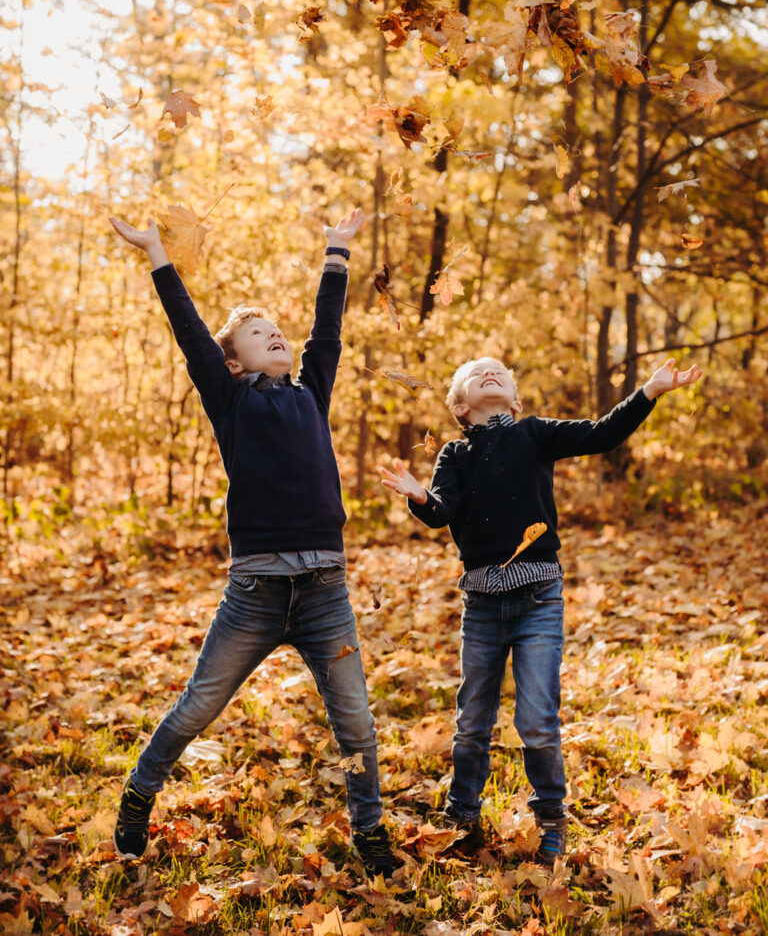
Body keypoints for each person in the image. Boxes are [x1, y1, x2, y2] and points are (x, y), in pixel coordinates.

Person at [108, 209, 396, 877]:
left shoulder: (311, 392)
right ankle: (140, 791)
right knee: (198, 705)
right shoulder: (230, 399)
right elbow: (190, 332)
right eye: (258, 333)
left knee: (356, 720)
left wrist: (337, 250)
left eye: (276, 330)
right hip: (256, 594)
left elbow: (328, 332)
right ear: (234, 363)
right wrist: (157, 255)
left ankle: (370, 828)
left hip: (325, 591)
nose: (276, 335)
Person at [380, 355, 702, 865]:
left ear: (515, 399)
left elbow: (602, 434)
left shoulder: (535, 434)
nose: (489, 372)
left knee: (536, 720)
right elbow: (441, 513)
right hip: (482, 606)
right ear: (459, 406)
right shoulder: (454, 454)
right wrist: (419, 496)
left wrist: (649, 392)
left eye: (499, 370)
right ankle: (462, 814)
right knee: (472, 720)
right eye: (475, 372)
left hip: (538, 599)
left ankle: (550, 817)